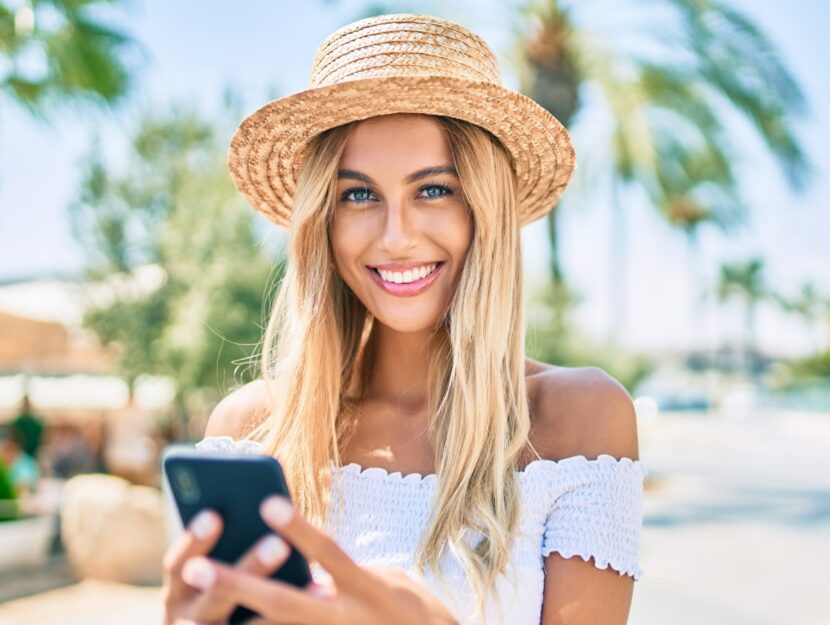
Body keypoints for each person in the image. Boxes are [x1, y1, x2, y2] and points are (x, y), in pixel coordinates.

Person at [162, 13, 647, 625]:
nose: (395, 237)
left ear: (484, 209)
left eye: (434, 189)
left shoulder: (577, 422)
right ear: (324, 223)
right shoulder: (256, 432)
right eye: (358, 195)